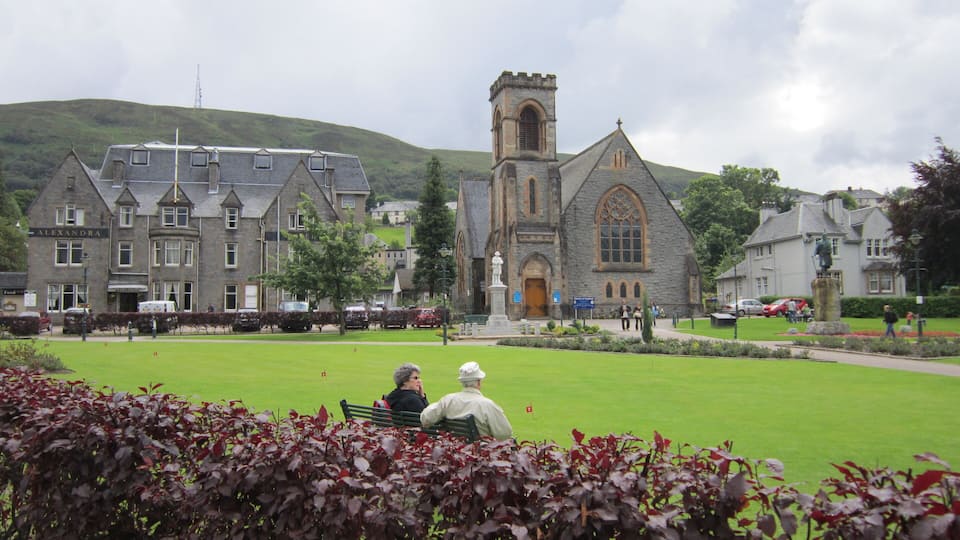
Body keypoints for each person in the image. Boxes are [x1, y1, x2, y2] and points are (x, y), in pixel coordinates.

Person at [421, 361, 512, 441]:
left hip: (456, 451)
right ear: (479, 382)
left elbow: (425, 418)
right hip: (481, 454)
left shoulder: (448, 400)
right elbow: (504, 435)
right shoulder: (487, 405)